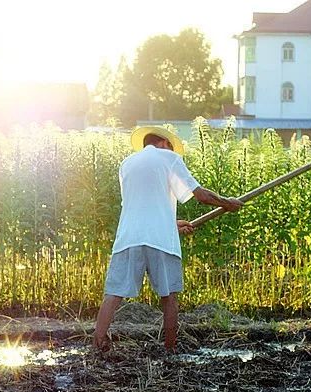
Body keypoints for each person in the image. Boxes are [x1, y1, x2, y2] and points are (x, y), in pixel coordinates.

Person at [92, 125, 243, 352]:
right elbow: (200, 195)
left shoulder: (127, 164)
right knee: (169, 296)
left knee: (113, 294)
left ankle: (96, 344)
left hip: (128, 237)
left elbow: (138, 206)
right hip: (160, 240)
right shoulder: (169, 158)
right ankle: (170, 350)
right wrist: (227, 203)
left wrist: (171, 224)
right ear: (164, 143)